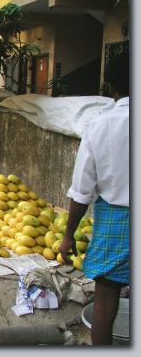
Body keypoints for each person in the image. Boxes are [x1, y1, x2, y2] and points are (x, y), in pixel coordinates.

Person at [60, 47, 129, 345]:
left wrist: (68, 235)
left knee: (105, 302)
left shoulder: (99, 125)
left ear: (111, 85)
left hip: (115, 220)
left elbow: (82, 190)